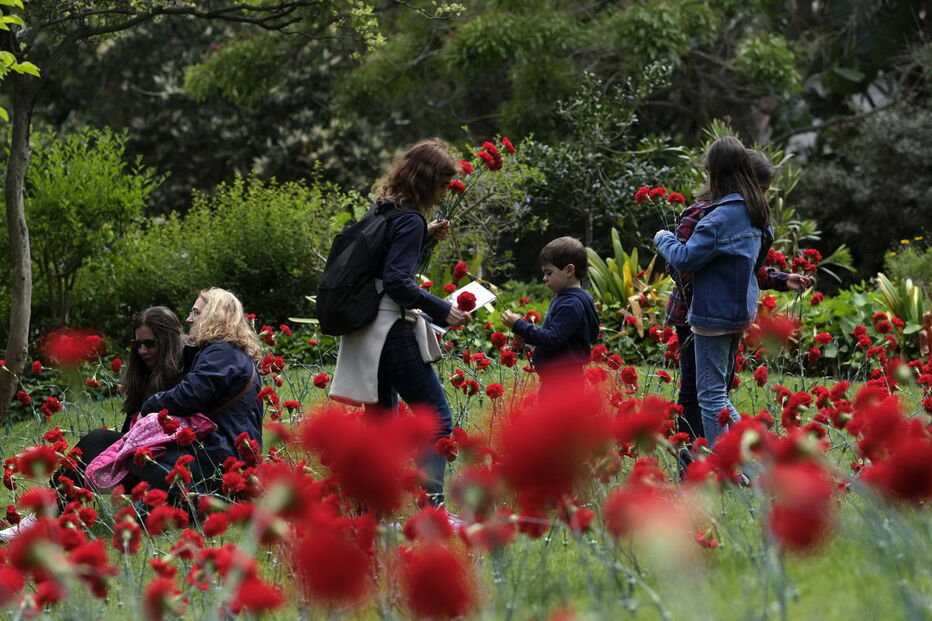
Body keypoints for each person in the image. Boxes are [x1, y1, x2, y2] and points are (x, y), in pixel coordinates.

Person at [329, 138, 471, 507]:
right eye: (441, 185)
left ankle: (371, 511)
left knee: (381, 427)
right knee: (437, 421)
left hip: (367, 331)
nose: (443, 194)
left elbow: (381, 265)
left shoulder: (383, 210)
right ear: (426, 181)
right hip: (392, 331)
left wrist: (422, 237)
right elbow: (397, 282)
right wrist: (444, 309)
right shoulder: (409, 220)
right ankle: (432, 510)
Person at [664, 150, 812, 451]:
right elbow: (677, 267)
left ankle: (733, 459)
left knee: (713, 394)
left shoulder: (743, 218)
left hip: (717, 315)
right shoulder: (703, 214)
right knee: (695, 394)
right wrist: (712, 277)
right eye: (760, 189)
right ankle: (693, 465)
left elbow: (745, 268)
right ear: (742, 181)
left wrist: (781, 279)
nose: (760, 197)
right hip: (695, 313)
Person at [654, 136, 777, 448]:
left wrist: (662, 238)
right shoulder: (757, 213)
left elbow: (683, 259)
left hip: (712, 315)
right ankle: (758, 455)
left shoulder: (717, 216)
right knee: (717, 394)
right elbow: (754, 264)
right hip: (740, 313)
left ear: (712, 171)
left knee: (709, 397)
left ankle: (730, 466)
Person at [501, 236, 600, 398]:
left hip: (561, 381)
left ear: (569, 270)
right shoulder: (581, 298)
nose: (544, 278)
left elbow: (552, 339)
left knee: (558, 422)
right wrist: (525, 335)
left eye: (549, 273)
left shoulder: (570, 304)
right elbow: (590, 333)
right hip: (568, 377)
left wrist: (519, 325)